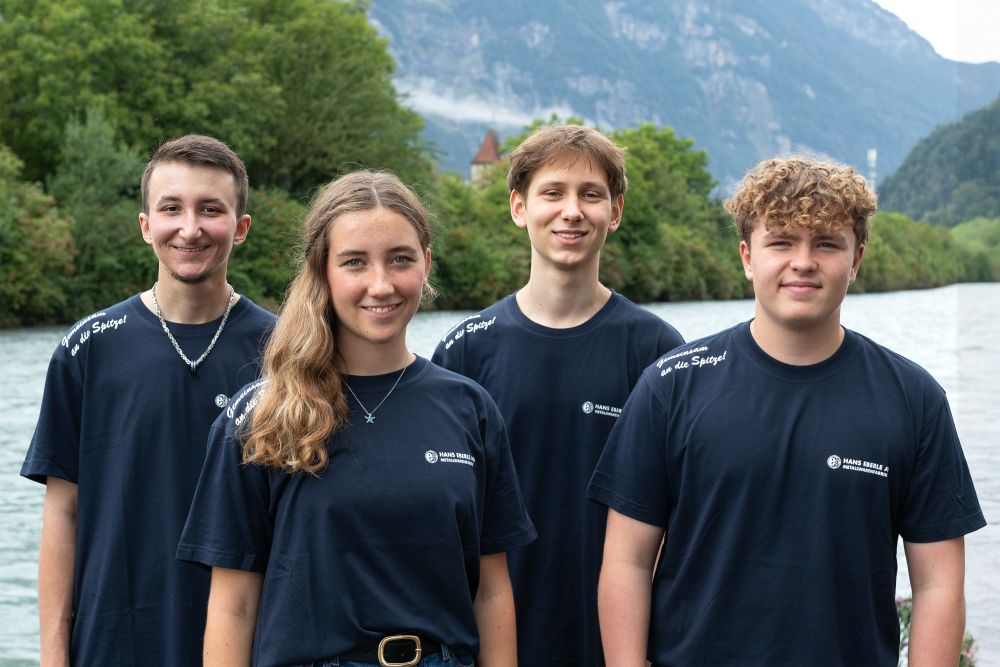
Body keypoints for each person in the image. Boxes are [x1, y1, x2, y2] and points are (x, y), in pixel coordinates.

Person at [589, 156, 986, 666]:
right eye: (781, 242)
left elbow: (938, 584)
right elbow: (627, 561)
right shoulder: (671, 386)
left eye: (826, 243)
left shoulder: (914, 398)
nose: (803, 261)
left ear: (856, 259)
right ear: (747, 257)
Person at [177, 170, 536, 667]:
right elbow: (233, 606)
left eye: (400, 259)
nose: (381, 285)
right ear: (322, 271)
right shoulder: (260, 416)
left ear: (426, 263)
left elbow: (491, 590)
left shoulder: (470, 409)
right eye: (355, 262)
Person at [433, 125, 683, 666]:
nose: (572, 211)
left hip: (618, 645)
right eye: (553, 193)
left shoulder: (660, 352)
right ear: (518, 207)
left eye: (591, 194)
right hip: (491, 640)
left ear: (615, 212)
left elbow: (680, 519)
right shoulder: (465, 351)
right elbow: (441, 517)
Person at [20, 134, 276, 665]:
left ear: (241, 227)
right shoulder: (87, 348)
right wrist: (53, 656)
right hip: (113, 643)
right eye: (171, 208)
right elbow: (63, 513)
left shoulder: (285, 353)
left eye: (211, 209)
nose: (190, 228)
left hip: (251, 645)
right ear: (145, 225)